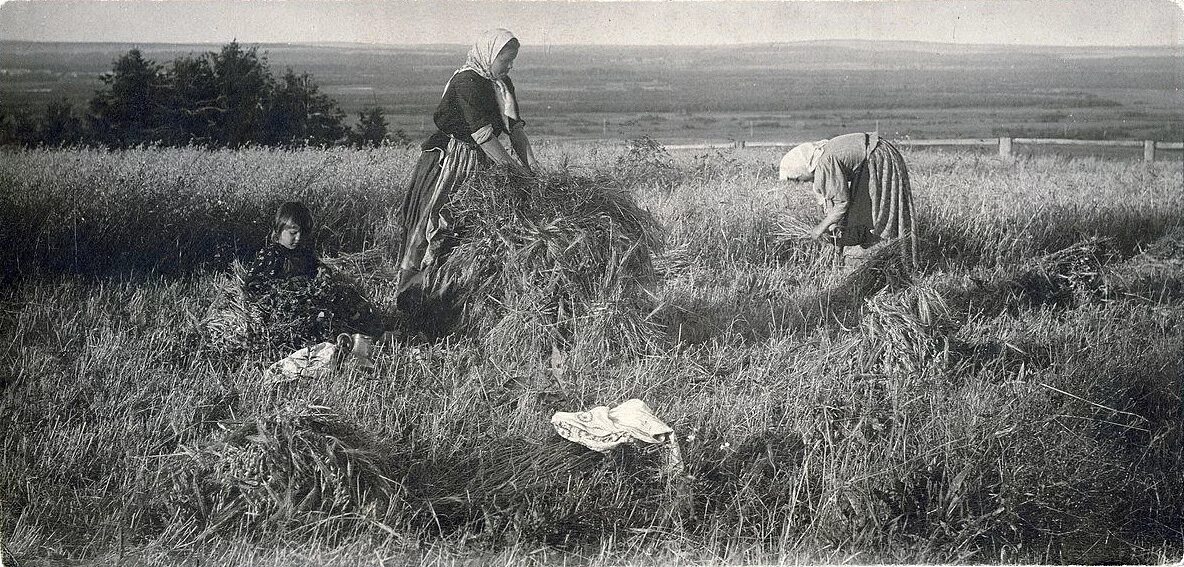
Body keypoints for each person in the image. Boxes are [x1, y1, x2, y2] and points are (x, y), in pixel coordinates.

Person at [396, 28, 537, 308]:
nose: (510, 66)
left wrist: (533, 168)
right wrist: (513, 171)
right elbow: (483, 136)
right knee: (433, 226)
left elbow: (515, 130)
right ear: (490, 55)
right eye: (506, 60)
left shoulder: (502, 85)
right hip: (452, 162)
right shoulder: (467, 82)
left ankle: (450, 301)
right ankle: (409, 301)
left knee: (467, 232)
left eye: (512, 60)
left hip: (483, 163)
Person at [779, 132, 917, 271]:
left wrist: (819, 229)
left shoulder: (825, 163)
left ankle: (895, 264)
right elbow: (832, 197)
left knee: (880, 218)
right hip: (873, 156)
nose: (801, 182)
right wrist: (832, 224)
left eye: (797, 178)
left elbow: (842, 203)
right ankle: (883, 262)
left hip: (877, 158)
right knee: (863, 215)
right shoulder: (823, 157)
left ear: (803, 167)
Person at [244, 201, 318, 292]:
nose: (298, 238)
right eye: (293, 233)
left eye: (303, 233)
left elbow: (316, 267)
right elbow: (251, 280)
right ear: (279, 230)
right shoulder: (271, 254)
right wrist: (285, 285)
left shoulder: (304, 253)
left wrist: (323, 273)